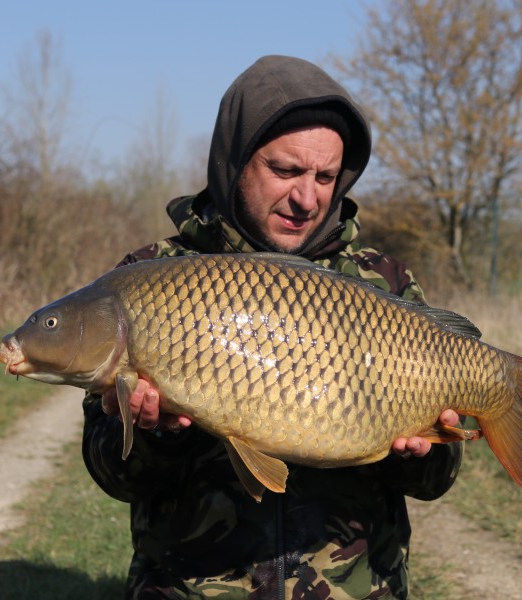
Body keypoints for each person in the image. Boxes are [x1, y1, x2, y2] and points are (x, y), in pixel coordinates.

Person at [82, 55, 462, 599]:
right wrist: (157, 436)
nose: (307, 198)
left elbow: (436, 481)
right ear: (234, 160)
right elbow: (112, 474)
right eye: (285, 171)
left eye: (325, 176)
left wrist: (425, 451)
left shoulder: (384, 284)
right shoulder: (150, 276)